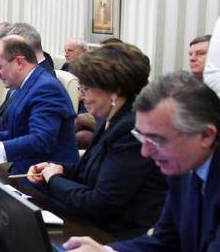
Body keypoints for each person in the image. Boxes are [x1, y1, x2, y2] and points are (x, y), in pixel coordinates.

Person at [55, 72, 220, 252]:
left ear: (206, 136)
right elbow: (166, 243)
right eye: (141, 136)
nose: (145, 152)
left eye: (157, 139)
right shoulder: (184, 166)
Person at [25, 43, 166, 238]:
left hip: (118, 235)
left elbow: (99, 203)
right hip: (96, 225)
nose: (81, 96)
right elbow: (90, 171)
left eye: (86, 88)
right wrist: (58, 168)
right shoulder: (109, 119)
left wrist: (54, 179)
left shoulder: (132, 130)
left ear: (114, 91)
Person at [0, 36, 78, 174]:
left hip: (43, 178)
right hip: (24, 172)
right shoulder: (26, 85)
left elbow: (40, 141)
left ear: (19, 62)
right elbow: (17, 133)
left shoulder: (47, 88)